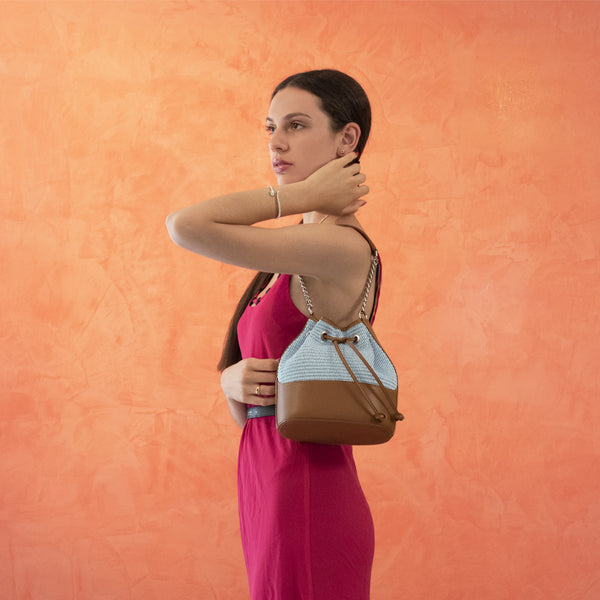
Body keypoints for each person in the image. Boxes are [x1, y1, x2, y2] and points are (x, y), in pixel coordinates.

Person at [166, 69, 379, 599]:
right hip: (265, 474)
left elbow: (185, 226)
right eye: (270, 127)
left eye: (297, 125)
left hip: (305, 483)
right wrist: (231, 383)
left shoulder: (338, 246)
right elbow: (262, 403)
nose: (276, 142)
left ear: (346, 139)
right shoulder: (294, 252)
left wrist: (301, 195)